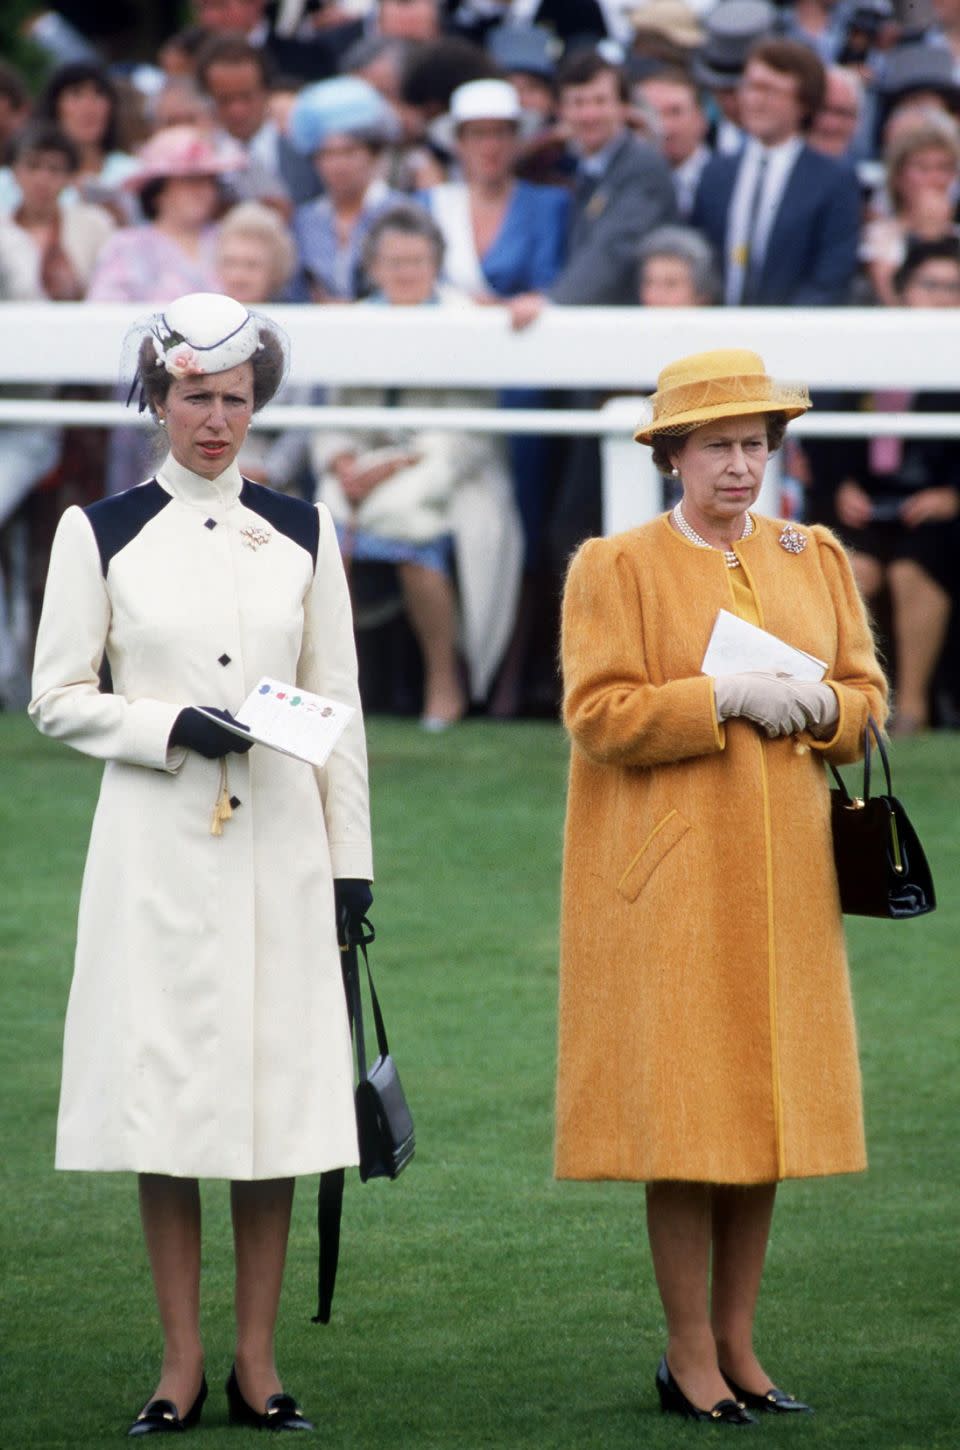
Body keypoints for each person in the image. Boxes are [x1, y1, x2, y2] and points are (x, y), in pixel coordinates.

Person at [29, 290, 373, 1435]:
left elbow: (340, 707)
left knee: (273, 1106)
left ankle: (258, 1362)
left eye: (234, 399)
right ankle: (179, 1363)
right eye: (194, 397)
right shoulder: (102, 527)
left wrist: (350, 866)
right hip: (157, 853)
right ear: (157, 398)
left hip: (281, 843)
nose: (215, 419)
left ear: (255, 404)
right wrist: (169, 726)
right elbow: (57, 698)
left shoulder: (306, 527)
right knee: (168, 1101)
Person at [556, 347, 887, 1423]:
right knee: (689, 1118)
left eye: (754, 445)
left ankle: (741, 1344)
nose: (740, 466)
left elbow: (867, 698)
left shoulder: (815, 554)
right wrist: (721, 699)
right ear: (672, 457)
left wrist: (827, 712)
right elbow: (599, 718)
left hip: (790, 877)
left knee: (767, 1110)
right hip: (675, 883)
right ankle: (687, 1350)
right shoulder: (617, 565)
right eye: (717, 447)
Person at [311, 203, 522, 727]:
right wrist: (340, 459)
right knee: (320, 538)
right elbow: (332, 414)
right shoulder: (355, 320)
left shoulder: (464, 321)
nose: (405, 272)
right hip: (357, 471)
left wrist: (393, 465)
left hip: (446, 470)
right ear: (373, 267)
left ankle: (442, 680)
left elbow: (470, 430)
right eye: (393, 261)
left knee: (412, 534)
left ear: (437, 264)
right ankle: (330, 687)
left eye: (417, 261)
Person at [811, 238, 960, 732]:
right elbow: (827, 427)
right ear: (901, 290)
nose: (942, 298)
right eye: (930, 285)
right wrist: (841, 485)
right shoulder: (867, 345)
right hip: (865, 504)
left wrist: (952, 495)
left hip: (937, 510)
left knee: (913, 569)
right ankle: (849, 704)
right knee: (856, 569)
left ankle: (913, 708)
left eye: (953, 288)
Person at [693, 38, 861, 305]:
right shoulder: (716, 173)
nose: (754, 100)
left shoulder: (833, 180)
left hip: (794, 335)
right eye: (749, 87)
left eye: (769, 90)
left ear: (803, 102)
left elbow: (831, 275)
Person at [287, 75, 406, 302]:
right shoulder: (304, 220)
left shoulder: (402, 212)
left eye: (350, 152)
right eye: (328, 154)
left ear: (373, 153)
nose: (339, 165)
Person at [860, 114, 960, 305]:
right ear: (898, 176)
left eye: (944, 168)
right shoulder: (878, 238)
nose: (935, 178)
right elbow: (887, 299)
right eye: (923, 168)